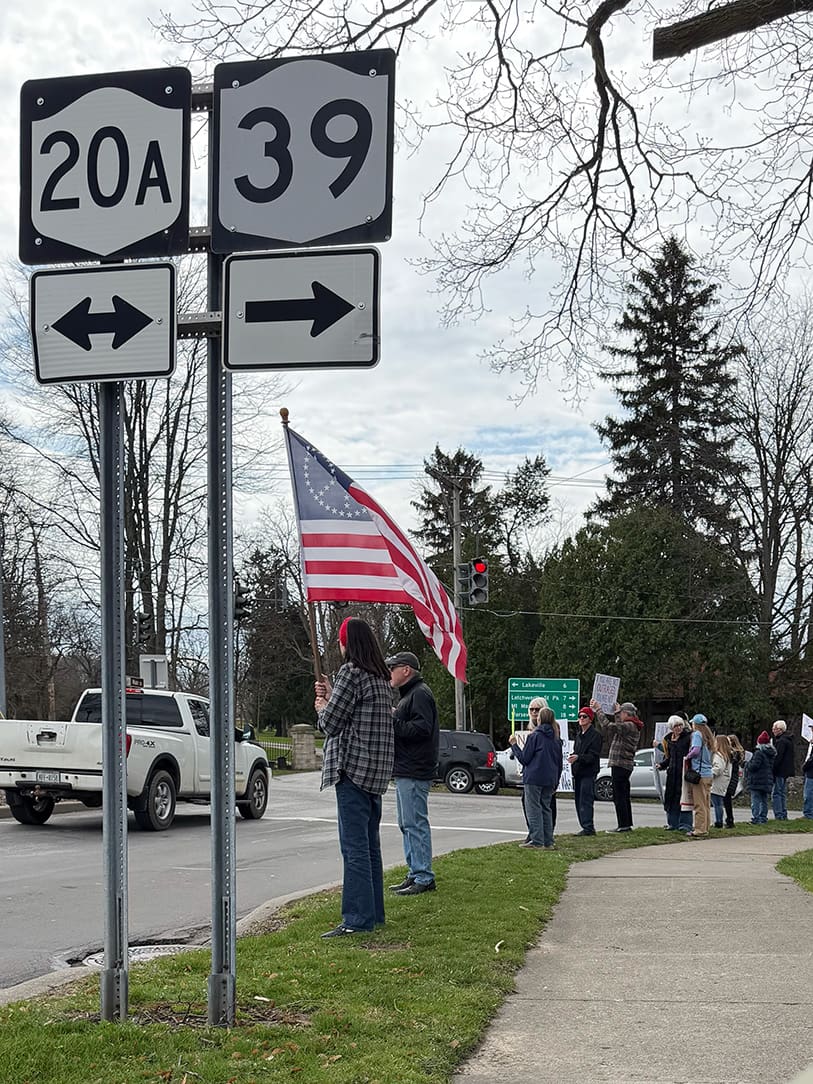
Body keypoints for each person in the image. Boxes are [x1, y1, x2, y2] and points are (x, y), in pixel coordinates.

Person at [314, 617, 394, 938]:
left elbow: (332, 723)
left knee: (354, 849)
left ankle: (356, 920)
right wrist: (334, 693)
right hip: (374, 775)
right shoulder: (379, 678)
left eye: (340, 639)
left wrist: (322, 705)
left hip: (352, 771)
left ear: (349, 643)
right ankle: (373, 914)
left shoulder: (351, 672)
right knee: (370, 847)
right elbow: (354, 712)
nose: (339, 644)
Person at [386, 650, 439, 896]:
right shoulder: (411, 695)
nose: (390, 673)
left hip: (415, 769)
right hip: (407, 768)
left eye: (393, 667)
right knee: (405, 823)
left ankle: (423, 876)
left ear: (406, 670)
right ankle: (414, 871)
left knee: (415, 823)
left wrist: (392, 721)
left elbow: (421, 729)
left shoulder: (419, 694)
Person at [508, 706, 562, 849]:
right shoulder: (556, 738)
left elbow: (525, 758)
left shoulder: (535, 736)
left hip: (534, 777)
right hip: (550, 778)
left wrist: (514, 745)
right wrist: (556, 780)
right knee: (546, 808)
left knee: (533, 808)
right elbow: (559, 762)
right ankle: (548, 841)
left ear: (539, 719)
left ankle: (537, 840)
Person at [591, 699, 644, 832]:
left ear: (626, 713)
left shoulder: (630, 725)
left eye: (621, 713)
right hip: (624, 764)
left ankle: (623, 825)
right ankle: (626, 823)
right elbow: (619, 728)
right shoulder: (632, 726)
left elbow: (610, 726)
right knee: (624, 795)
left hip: (621, 763)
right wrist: (616, 713)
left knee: (619, 795)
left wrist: (599, 710)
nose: (620, 716)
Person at [568, 706, 602, 835]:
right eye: (580, 716)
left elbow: (593, 756)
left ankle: (588, 827)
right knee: (578, 799)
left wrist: (578, 757)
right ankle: (584, 825)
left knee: (585, 799)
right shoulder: (578, 735)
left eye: (584, 716)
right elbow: (577, 751)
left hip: (588, 772)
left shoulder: (595, 736)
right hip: (577, 772)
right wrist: (573, 757)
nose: (581, 719)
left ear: (590, 719)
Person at [657, 715, 693, 832]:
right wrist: (662, 765)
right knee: (671, 799)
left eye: (680, 725)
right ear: (671, 728)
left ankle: (685, 824)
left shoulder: (688, 737)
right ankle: (672, 823)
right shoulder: (668, 739)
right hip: (672, 773)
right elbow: (669, 757)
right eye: (675, 726)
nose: (678, 728)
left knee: (684, 799)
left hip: (683, 773)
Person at [684, 714, 714, 838]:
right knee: (706, 803)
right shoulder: (709, 737)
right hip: (708, 773)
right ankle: (705, 826)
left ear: (695, 724)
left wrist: (688, 756)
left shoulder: (697, 734)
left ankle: (699, 829)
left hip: (699, 774)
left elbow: (696, 750)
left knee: (699, 803)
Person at [745, 731, 775, 825]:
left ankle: (756, 818)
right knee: (764, 800)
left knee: (756, 800)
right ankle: (763, 817)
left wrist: (747, 764)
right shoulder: (771, 754)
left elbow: (754, 766)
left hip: (757, 780)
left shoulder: (759, 753)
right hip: (767, 780)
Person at [771, 720, 794, 821]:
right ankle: (783, 813)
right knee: (782, 793)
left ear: (780, 730)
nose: (773, 731)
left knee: (777, 793)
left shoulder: (781, 742)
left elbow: (777, 757)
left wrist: (772, 769)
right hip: (786, 771)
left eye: (774, 729)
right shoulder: (788, 740)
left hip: (779, 771)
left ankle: (779, 815)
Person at [724, 734, 746, 829]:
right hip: (734, 777)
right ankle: (729, 819)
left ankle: (730, 820)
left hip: (731, 777)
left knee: (727, 799)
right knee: (727, 800)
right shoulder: (739, 753)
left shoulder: (734, 753)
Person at [711, 734, 733, 829]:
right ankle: (719, 820)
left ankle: (718, 821)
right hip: (724, 781)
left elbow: (718, 768)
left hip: (717, 781)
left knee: (717, 803)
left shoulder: (718, 755)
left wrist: (710, 774)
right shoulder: (727, 755)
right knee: (719, 802)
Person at [802, 730, 813, 820]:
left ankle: (808, 813)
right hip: (810, 771)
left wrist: (805, 766)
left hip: (811, 772)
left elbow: (811, 759)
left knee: (808, 794)